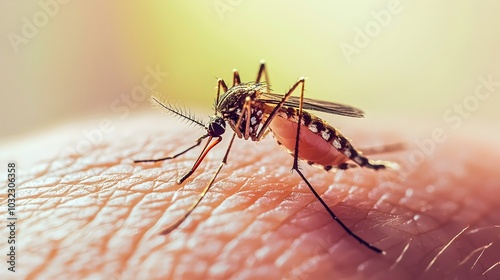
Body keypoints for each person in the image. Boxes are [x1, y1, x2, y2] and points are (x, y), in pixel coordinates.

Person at [4, 112, 499, 279]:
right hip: (283, 120)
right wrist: (181, 166)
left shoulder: (251, 116)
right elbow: (218, 132)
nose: (216, 136)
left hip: (295, 122)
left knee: (283, 120)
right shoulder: (228, 117)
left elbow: (231, 133)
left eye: (217, 131)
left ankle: (355, 157)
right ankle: (361, 155)